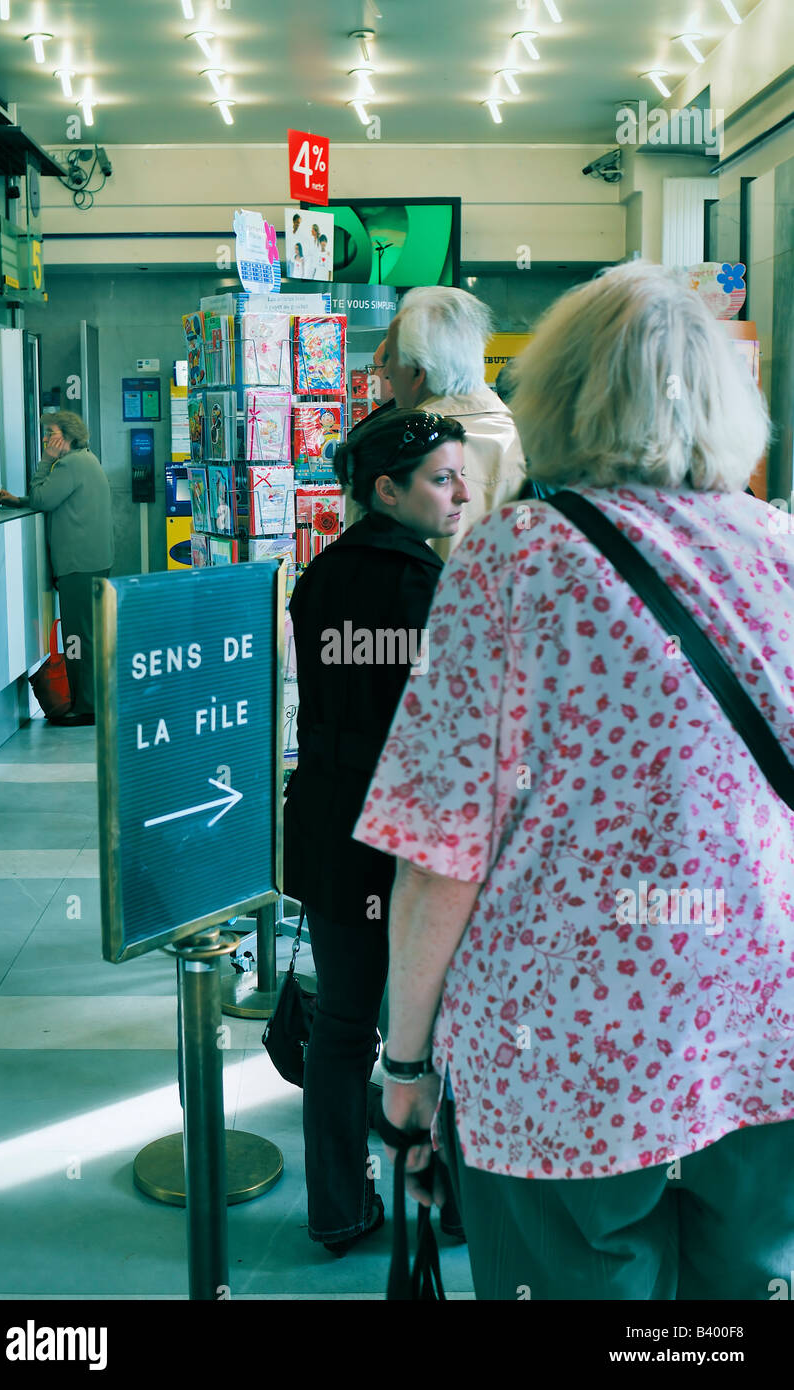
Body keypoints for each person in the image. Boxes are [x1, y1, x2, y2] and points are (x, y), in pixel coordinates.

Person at [354, 260, 794, 1300]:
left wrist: (404, 1067)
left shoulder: (509, 563)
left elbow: (439, 858)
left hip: (558, 1064)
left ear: (555, 394)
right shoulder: (781, 549)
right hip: (763, 1036)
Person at [284, 407, 469, 1255]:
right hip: (408, 834)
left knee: (342, 1024)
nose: (460, 494)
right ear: (386, 491)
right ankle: (451, 1201)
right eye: (441, 479)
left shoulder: (319, 575)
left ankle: (336, 1207)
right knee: (437, 1024)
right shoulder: (428, 585)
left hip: (330, 823)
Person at [382, 285, 525, 559]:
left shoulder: (391, 451)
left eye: (391, 358)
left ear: (417, 372)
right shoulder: (529, 442)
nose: (386, 371)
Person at [0, 411, 114, 726]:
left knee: (76, 638)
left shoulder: (68, 464)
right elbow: (51, 498)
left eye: (51, 434)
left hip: (78, 564)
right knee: (87, 635)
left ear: (68, 436)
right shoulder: (87, 460)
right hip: (92, 562)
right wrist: (18, 501)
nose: (46, 440)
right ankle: (91, 701)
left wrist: (45, 460)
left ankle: (84, 707)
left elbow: (42, 498)